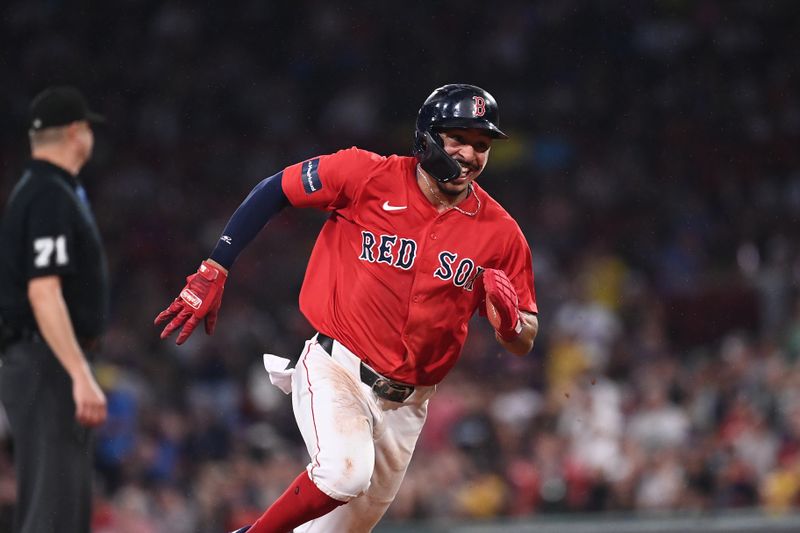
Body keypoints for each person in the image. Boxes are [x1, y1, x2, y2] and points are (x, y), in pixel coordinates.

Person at [156, 84, 539, 533]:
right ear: (427, 138)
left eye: (482, 145)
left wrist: (510, 322)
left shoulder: (501, 233)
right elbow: (274, 188)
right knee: (343, 473)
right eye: (459, 139)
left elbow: (524, 339)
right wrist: (216, 265)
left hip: (409, 403)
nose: (471, 154)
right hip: (338, 366)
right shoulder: (366, 175)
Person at [0, 86, 109, 533]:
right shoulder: (47, 194)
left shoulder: (48, 189)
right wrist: (80, 373)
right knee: (54, 510)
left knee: (62, 505)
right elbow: (44, 292)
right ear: (76, 132)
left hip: (43, 359)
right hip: (45, 360)